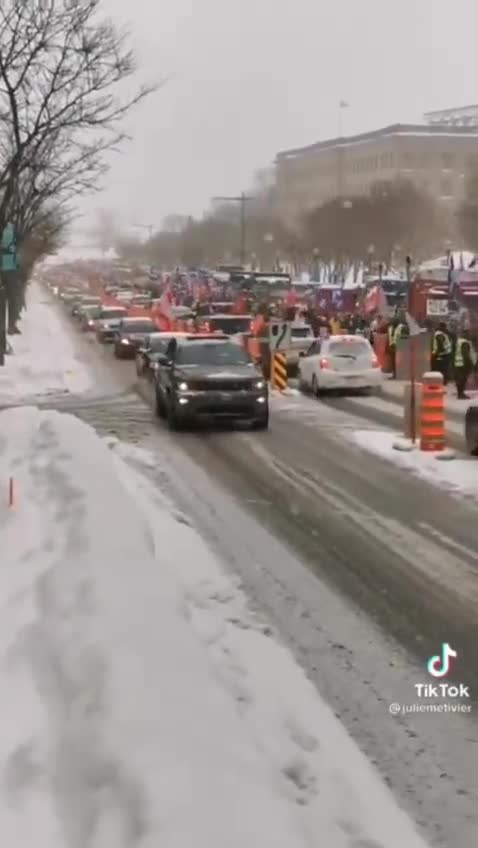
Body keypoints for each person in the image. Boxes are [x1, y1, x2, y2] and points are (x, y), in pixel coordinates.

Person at [454, 330, 477, 399]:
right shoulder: (465, 343)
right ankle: (461, 394)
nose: (469, 335)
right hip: (464, 364)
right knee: (462, 379)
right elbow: (466, 354)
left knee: (460, 379)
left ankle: (460, 393)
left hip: (458, 363)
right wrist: (470, 364)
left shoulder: (458, 341)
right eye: (468, 334)